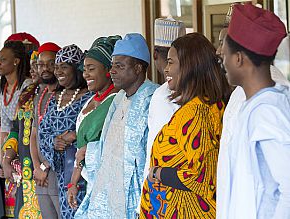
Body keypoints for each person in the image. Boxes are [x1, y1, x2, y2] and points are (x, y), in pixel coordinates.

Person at [140, 33, 230, 218]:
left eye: (171, 62)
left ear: (190, 66)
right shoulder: (201, 106)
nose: (165, 69)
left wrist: (158, 172)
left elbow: (204, 177)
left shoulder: (197, 112)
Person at [217, 4, 290, 218]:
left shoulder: (268, 111)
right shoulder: (252, 101)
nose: (219, 54)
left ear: (239, 59)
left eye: (225, 49)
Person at [76, 33, 158, 219]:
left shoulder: (153, 98)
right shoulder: (118, 98)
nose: (112, 71)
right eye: (112, 65)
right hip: (110, 192)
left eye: (119, 66)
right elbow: (105, 146)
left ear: (138, 68)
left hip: (137, 196)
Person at [38, 44, 93, 218]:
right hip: (61, 174)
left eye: (64, 67)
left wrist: (74, 138)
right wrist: (54, 142)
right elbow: (42, 132)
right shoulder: (55, 99)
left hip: (83, 171)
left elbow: (94, 132)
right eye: (57, 67)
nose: (58, 71)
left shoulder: (89, 97)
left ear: (76, 70)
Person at [67, 35, 121, 210]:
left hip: (107, 183)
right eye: (84, 70)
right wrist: (73, 183)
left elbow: (90, 142)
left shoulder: (116, 100)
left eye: (91, 69)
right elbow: (80, 150)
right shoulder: (89, 100)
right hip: (88, 180)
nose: (86, 74)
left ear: (108, 69)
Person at [142, 16, 186, 196]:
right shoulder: (196, 92)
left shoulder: (163, 94)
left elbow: (158, 148)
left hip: (162, 184)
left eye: (172, 62)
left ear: (154, 54)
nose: (168, 69)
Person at [0, 40, 32, 218]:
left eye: (3, 59)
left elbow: (21, 125)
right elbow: (5, 125)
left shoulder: (27, 86)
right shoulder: (3, 88)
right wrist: (2, 157)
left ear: (16, 61)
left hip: (25, 143)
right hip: (11, 144)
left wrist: (10, 156)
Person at [29, 42, 62, 218]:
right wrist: (36, 167)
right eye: (41, 64)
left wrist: (44, 167)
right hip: (40, 174)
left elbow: (62, 139)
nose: (45, 68)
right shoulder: (39, 96)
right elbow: (34, 135)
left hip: (56, 171)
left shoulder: (66, 96)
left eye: (51, 63)